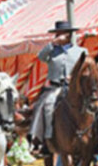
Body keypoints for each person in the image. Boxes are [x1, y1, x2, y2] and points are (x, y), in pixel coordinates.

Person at [33, 20, 87, 150]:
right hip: (55, 87)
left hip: (75, 88)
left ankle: (95, 137)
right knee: (47, 106)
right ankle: (47, 138)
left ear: (68, 35)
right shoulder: (51, 51)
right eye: (56, 34)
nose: (58, 36)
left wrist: (74, 78)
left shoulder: (81, 51)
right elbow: (40, 57)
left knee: (92, 106)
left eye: (60, 33)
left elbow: (86, 70)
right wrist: (52, 44)